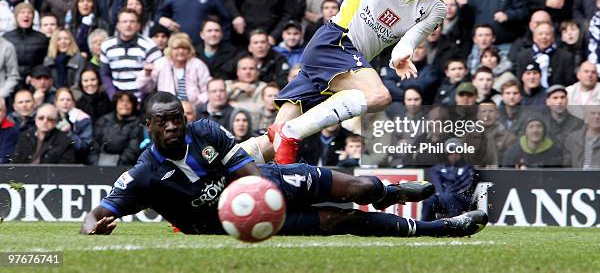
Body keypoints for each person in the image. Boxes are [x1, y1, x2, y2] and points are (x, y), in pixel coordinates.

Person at [80, 92, 488, 237]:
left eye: (177, 118)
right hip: (227, 223)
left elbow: (248, 171)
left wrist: (265, 197)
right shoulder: (143, 175)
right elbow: (96, 213)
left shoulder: (205, 130)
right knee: (338, 221)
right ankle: (441, 229)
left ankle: (388, 193)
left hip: (262, 186)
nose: (173, 126)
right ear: (148, 126)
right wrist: (93, 227)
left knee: (357, 190)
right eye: (163, 121)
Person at [249, 0, 456, 164]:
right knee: (379, 96)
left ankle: (222, 166)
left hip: (349, 65)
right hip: (335, 40)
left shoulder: (436, 7)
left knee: (270, 146)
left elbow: (408, 42)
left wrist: (402, 56)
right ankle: (290, 133)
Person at [99, 8, 162, 100]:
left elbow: (156, 76)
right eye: (124, 21)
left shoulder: (150, 46)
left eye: (132, 21)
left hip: (143, 100)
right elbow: (105, 74)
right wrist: (113, 95)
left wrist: (141, 99)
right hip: (117, 100)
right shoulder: (107, 45)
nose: (128, 25)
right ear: (118, 25)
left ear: (138, 25)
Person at [137, 32, 211, 106]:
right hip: (166, 107)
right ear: (170, 50)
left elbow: (208, 89)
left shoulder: (198, 64)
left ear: (189, 50)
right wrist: (147, 74)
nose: (181, 51)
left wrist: (198, 103)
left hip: (193, 108)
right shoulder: (161, 63)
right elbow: (145, 89)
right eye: (177, 48)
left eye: (184, 48)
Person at [88, 90, 143, 166]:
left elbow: (133, 149)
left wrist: (117, 164)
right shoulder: (103, 120)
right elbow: (94, 146)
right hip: (99, 164)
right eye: (121, 101)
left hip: (124, 167)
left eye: (128, 101)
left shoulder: (137, 123)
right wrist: (96, 163)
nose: (124, 104)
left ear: (133, 105)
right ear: (116, 104)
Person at [4, 2, 48, 79]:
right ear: (16, 16)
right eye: (22, 12)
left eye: (29, 13)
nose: (26, 15)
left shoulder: (42, 39)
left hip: (34, 79)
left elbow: (44, 62)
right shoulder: (6, 38)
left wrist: (34, 76)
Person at [563, 103, 600, 169]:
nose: (596, 117)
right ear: (586, 116)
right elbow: (565, 166)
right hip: (574, 178)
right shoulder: (572, 138)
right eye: (593, 113)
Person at [54, 87, 93, 164]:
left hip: (76, 160)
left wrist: (70, 133)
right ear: (56, 103)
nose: (65, 102)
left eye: (68, 100)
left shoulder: (84, 119)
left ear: (73, 102)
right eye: (62, 100)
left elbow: (83, 146)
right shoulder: (49, 118)